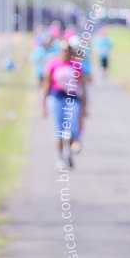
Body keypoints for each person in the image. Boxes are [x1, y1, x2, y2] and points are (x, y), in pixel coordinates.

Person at [41, 41, 88, 171]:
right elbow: (47, 85)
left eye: (67, 50)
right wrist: (43, 104)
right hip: (56, 98)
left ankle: (69, 154)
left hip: (72, 98)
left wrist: (85, 106)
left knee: (72, 129)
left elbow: (83, 87)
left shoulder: (76, 66)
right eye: (63, 50)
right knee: (59, 131)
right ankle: (60, 158)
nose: (65, 53)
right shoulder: (53, 64)